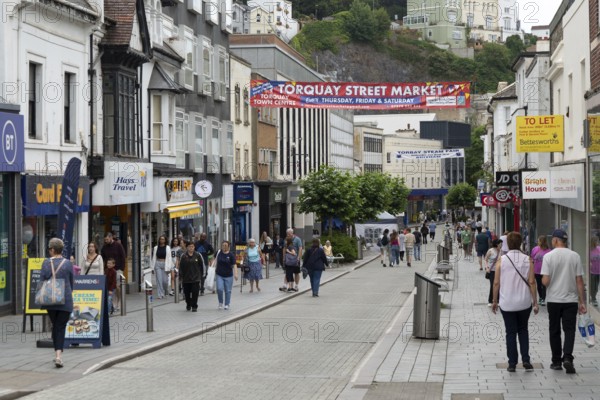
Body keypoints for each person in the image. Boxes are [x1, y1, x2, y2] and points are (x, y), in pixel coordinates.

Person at [492, 232, 538, 372]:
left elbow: (496, 283)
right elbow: (531, 282)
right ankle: (526, 360)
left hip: (507, 303)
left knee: (510, 332)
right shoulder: (527, 260)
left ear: (507, 244)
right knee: (523, 330)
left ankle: (512, 363)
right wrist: (535, 302)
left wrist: (495, 301)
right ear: (520, 243)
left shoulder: (501, 260)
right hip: (524, 302)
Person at [541, 229, 586, 374]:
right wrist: (582, 301)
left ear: (555, 240)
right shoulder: (575, 256)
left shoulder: (548, 257)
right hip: (571, 300)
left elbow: (546, 281)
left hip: (553, 300)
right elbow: (579, 280)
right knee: (569, 330)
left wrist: (544, 280)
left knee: (554, 330)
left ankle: (556, 362)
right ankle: (567, 357)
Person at [40, 238, 74, 368]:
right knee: (60, 327)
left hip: (51, 299)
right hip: (65, 300)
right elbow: (71, 283)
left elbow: (42, 280)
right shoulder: (67, 263)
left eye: (49, 249)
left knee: (55, 326)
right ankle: (58, 356)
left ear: (53, 250)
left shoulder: (46, 263)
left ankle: (57, 354)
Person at [179, 241, 205, 312]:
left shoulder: (198, 255)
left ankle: (194, 306)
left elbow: (202, 266)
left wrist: (202, 275)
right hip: (186, 278)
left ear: (194, 247)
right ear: (187, 247)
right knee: (187, 293)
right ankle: (188, 303)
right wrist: (180, 276)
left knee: (195, 292)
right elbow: (180, 267)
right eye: (189, 247)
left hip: (195, 278)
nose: (191, 248)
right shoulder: (183, 256)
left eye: (192, 246)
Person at [213, 240, 237, 310]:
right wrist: (212, 267)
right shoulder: (218, 252)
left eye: (226, 245)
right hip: (219, 274)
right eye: (223, 245)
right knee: (219, 289)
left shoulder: (231, 255)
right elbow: (214, 260)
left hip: (228, 275)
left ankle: (227, 304)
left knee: (228, 290)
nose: (224, 247)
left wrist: (236, 273)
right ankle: (220, 302)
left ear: (228, 246)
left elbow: (234, 265)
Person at [530, 236, 551, 306]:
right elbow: (531, 258)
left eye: (538, 240)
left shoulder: (548, 250)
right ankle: (541, 297)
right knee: (539, 285)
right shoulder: (535, 249)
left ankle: (543, 298)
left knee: (543, 285)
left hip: (544, 270)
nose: (537, 242)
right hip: (537, 270)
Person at [151, 235, 173, 300]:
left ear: (165, 240)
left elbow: (169, 258)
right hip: (157, 264)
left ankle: (165, 290)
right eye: (160, 239)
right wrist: (152, 267)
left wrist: (169, 268)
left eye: (163, 239)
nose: (161, 240)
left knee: (165, 281)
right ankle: (160, 294)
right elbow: (154, 257)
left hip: (165, 264)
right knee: (159, 280)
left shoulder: (168, 247)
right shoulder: (156, 247)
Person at [485, 239, 502, 306]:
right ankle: (490, 300)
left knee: (499, 285)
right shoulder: (491, 251)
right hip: (492, 270)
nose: (501, 245)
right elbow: (486, 259)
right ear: (497, 244)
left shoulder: (501, 251)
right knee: (493, 285)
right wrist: (487, 267)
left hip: (500, 270)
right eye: (500, 244)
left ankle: (498, 300)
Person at [590, 237, 600, 307]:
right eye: (596, 241)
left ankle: (594, 297)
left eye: (597, 241)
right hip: (592, 271)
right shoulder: (589, 250)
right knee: (593, 286)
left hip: (599, 271)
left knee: (597, 286)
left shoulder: (599, 248)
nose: (597, 242)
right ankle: (593, 298)